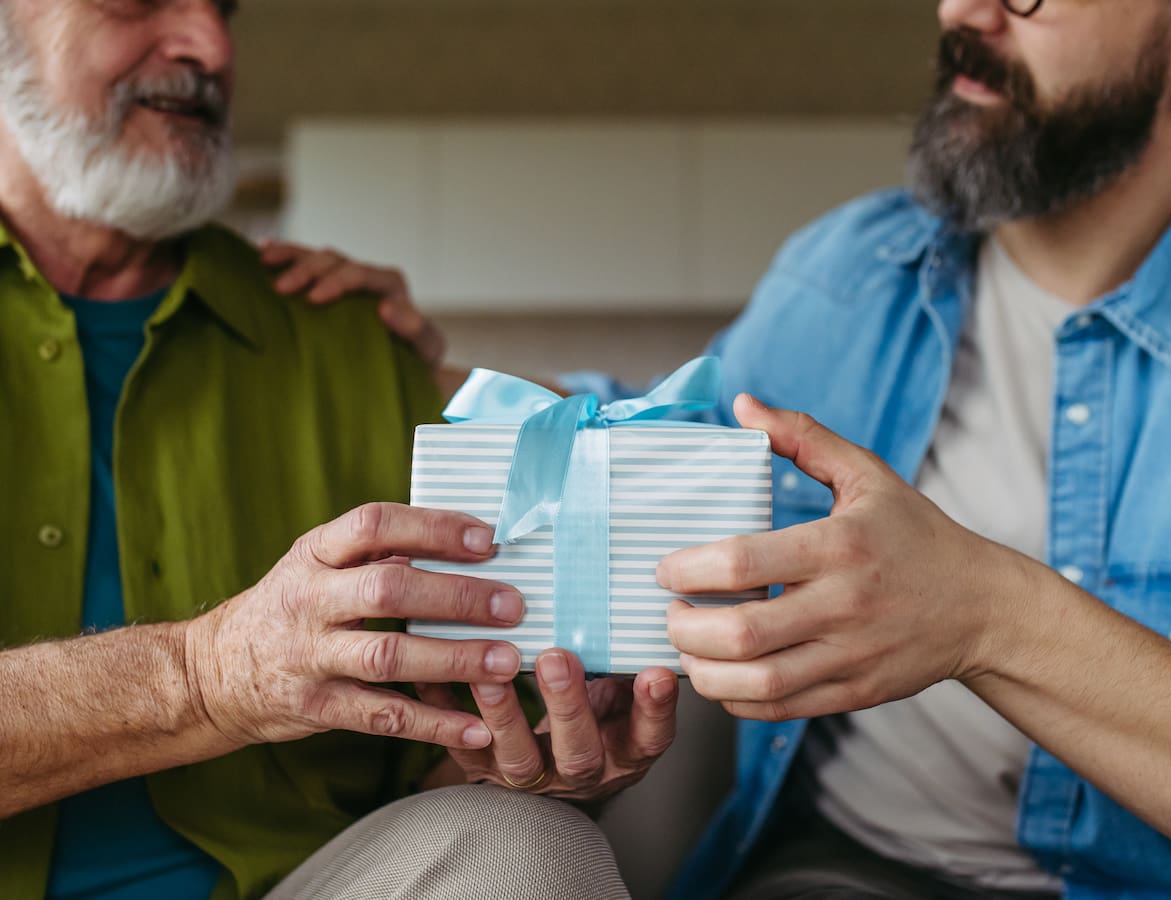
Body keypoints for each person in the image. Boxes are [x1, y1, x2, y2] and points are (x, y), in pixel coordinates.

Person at [301, 0, 1171, 896]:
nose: (964, 11)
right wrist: (418, 365)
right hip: (840, 871)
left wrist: (986, 615)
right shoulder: (854, 266)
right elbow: (662, 437)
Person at [0, 1, 678, 898]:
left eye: (223, 8)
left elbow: (439, 765)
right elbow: (219, 674)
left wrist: (526, 757)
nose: (210, 47)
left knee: (526, 846)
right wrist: (206, 675)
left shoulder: (353, 344)